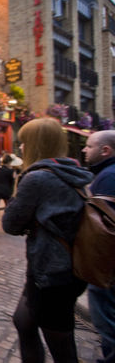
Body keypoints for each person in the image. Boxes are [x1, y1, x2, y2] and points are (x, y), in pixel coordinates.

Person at [2, 118, 92, 362]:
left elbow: (10, 224)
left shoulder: (37, 178)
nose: (20, 148)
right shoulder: (75, 172)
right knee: (23, 320)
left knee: (60, 341)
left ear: (35, 144)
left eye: (23, 143)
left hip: (53, 271)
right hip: (65, 265)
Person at [82, 130, 115, 363]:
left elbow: (103, 226)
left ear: (106, 150)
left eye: (89, 146)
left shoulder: (108, 177)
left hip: (107, 263)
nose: (84, 149)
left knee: (105, 313)